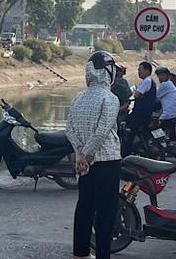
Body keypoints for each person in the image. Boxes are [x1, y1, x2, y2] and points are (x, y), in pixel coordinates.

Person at [65, 51, 121, 259]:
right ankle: (103, 255)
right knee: (105, 213)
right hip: (107, 161)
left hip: (84, 164)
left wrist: (80, 153)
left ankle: (80, 254)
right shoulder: (110, 98)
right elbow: (104, 130)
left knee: (84, 207)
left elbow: (69, 129)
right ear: (108, 72)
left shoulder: (78, 98)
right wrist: (87, 154)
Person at [122, 61, 156, 156]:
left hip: (141, 112)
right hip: (147, 111)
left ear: (147, 70)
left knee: (130, 131)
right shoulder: (150, 81)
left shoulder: (147, 81)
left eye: (140, 70)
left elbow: (136, 94)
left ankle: (126, 154)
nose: (138, 72)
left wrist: (137, 94)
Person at [155, 67, 176, 141]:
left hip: (170, 114)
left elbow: (155, 98)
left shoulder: (165, 85)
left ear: (167, 76)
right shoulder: (171, 85)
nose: (161, 77)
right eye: (159, 75)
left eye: (163, 75)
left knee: (156, 128)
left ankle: (162, 144)